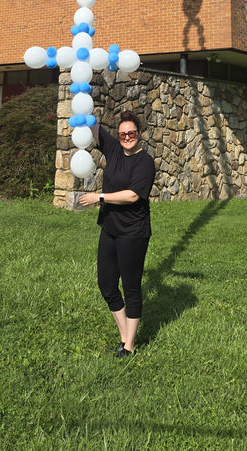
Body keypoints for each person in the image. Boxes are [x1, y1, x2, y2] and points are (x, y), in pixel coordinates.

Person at [79, 109, 156, 357]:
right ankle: (124, 336)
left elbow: (133, 195)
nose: (126, 137)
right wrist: (85, 106)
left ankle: (129, 346)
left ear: (139, 134)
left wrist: (98, 197)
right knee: (107, 285)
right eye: (122, 134)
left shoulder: (145, 162)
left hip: (133, 232)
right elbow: (94, 129)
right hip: (110, 228)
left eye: (131, 133)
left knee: (131, 286)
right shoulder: (113, 149)